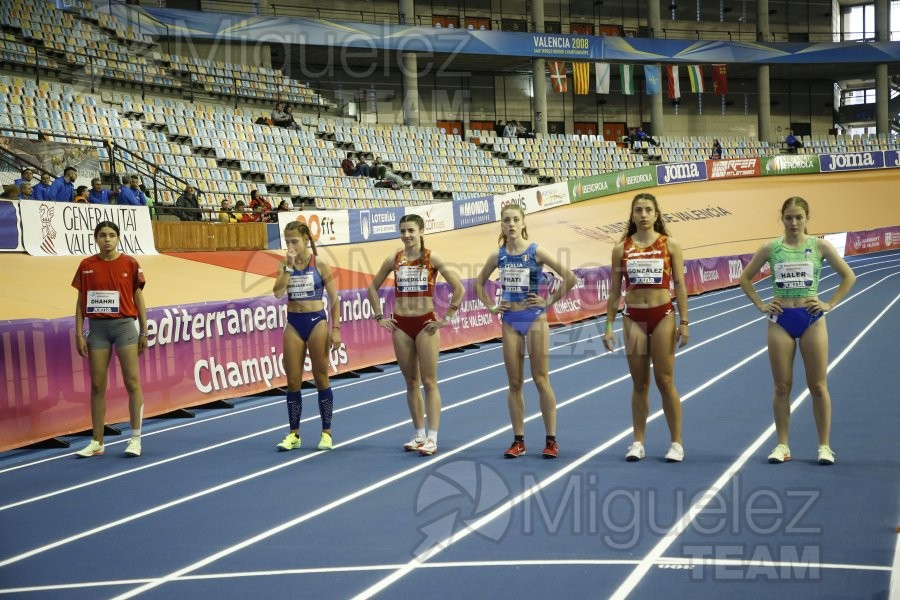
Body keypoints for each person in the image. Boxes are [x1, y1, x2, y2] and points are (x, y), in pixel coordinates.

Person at [739, 197, 855, 465]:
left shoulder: (820, 246)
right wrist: (760, 304)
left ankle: (824, 446)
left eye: (798, 217)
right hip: (780, 319)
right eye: (789, 217)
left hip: (811, 317)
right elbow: (744, 278)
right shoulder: (771, 248)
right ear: (782, 218)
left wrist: (829, 303)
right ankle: (782, 445)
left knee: (818, 386)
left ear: (807, 218)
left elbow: (849, 276)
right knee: (782, 386)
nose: (793, 223)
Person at [475, 204, 576, 459]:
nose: (510, 224)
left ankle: (551, 440)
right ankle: (518, 441)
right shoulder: (498, 256)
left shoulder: (535, 251)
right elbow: (478, 283)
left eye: (515, 220)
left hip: (534, 319)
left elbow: (570, 277)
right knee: (514, 383)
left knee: (541, 380)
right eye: (506, 220)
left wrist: (548, 302)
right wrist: (492, 306)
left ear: (523, 223)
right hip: (509, 320)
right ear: (501, 225)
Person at [367, 214, 464, 456]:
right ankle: (419, 434)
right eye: (403, 231)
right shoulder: (395, 258)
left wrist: (446, 319)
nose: (407, 235)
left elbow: (459, 288)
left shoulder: (433, 257)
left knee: (429, 381)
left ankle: (432, 437)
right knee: (411, 382)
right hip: (400, 325)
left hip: (425, 325)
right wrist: (379, 316)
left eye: (411, 230)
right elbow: (372, 288)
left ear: (421, 231)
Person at [603, 193, 689, 463]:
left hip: (663, 314)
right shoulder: (621, 249)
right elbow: (615, 290)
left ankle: (676, 443)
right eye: (638, 210)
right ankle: (638, 442)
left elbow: (680, 285)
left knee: (665, 381)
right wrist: (608, 325)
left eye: (648, 210)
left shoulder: (670, 245)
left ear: (656, 214)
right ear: (632, 215)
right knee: (639, 383)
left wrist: (684, 321)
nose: (643, 214)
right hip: (633, 319)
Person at [72, 221, 147, 458]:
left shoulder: (130, 263)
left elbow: (138, 298)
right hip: (97, 329)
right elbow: (80, 301)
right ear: (95, 238)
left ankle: (135, 439)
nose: (107, 239)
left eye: (112, 235)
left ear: (118, 238)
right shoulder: (86, 265)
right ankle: (97, 442)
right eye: (103, 235)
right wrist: (78, 333)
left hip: (125, 326)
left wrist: (143, 330)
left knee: (132, 382)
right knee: (97, 385)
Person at [273, 221, 343, 452]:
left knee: (321, 377)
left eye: (294, 241)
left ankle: (327, 432)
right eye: (287, 241)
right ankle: (294, 434)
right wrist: (290, 267)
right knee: (293, 381)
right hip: (294, 323)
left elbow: (334, 298)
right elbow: (278, 292)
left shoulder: (319, 263)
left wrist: (336, 330)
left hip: (316, 322)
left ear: (305, 240)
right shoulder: (285, 264)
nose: (290, 245)